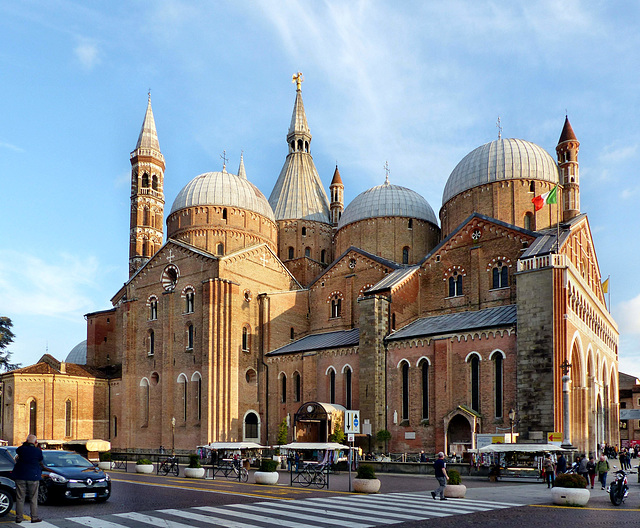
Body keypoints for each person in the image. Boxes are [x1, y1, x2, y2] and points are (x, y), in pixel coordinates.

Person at [13, 434, 44, 524]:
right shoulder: (37, 451)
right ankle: (34, 517)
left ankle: (19, 517)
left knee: (20, 498)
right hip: (33, 476)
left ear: (26, 442)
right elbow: (40, 459)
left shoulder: (21, 449)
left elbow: (18, 450)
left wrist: (26, 444)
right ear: (35, 442)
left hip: (20, 475)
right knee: (33, 498)